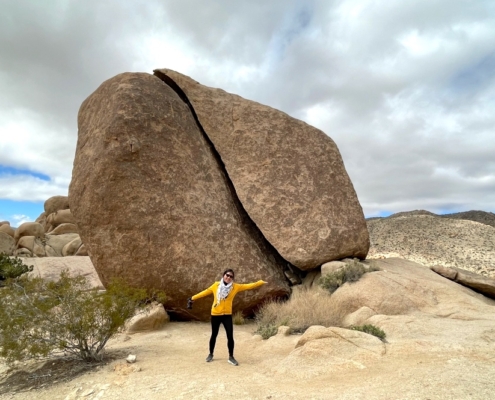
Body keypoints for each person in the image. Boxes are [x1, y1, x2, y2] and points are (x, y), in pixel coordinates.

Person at [187, 269, 266, 366]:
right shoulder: (216, 285)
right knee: (214, 335)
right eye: (227, 275)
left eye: (231, 276)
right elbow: (204, 292)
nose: (228, 277)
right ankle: (211, 354)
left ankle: (231, 357)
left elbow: (248, 286)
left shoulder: (235, 287)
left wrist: (260, 282)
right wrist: (192, 298)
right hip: (215, 314)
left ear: (232, 278)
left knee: (230, 336)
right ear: (223, 275)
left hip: (227, 315)